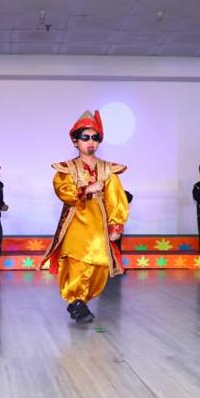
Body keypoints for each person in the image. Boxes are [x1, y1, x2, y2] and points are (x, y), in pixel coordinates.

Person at [40, 110, 129, 323]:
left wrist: (116, 226)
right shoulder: (67, 169)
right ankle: (76, 301)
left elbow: (116, 199)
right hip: (76, 221)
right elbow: (63, 190)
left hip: (98, 224)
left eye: (95, 138)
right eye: (85, 137)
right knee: (76, 262)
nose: (91, 142)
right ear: (75, 140)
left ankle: (81, 301)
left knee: (99, 265)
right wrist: (87, 189)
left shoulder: (107, 170)